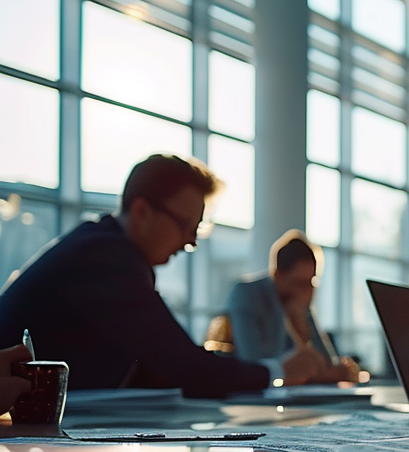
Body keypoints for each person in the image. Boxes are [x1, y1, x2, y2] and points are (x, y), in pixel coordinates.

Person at [0, 154, 321, 396]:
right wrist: (279, 371)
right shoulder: (107, 257)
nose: (191, 240)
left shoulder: (104, 249)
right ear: (141, 212)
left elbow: (163, 362)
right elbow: (184, 366)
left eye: (198, 229)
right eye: (186, 226)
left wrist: (211, 366)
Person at [226, 231, 359, 383]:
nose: (306, 293)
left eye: (311, 284)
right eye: (299, 283)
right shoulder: (246, 294)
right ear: (277, 275)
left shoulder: (300, 306)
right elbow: (254, 365)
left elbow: (328, 364)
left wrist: (300, 327)